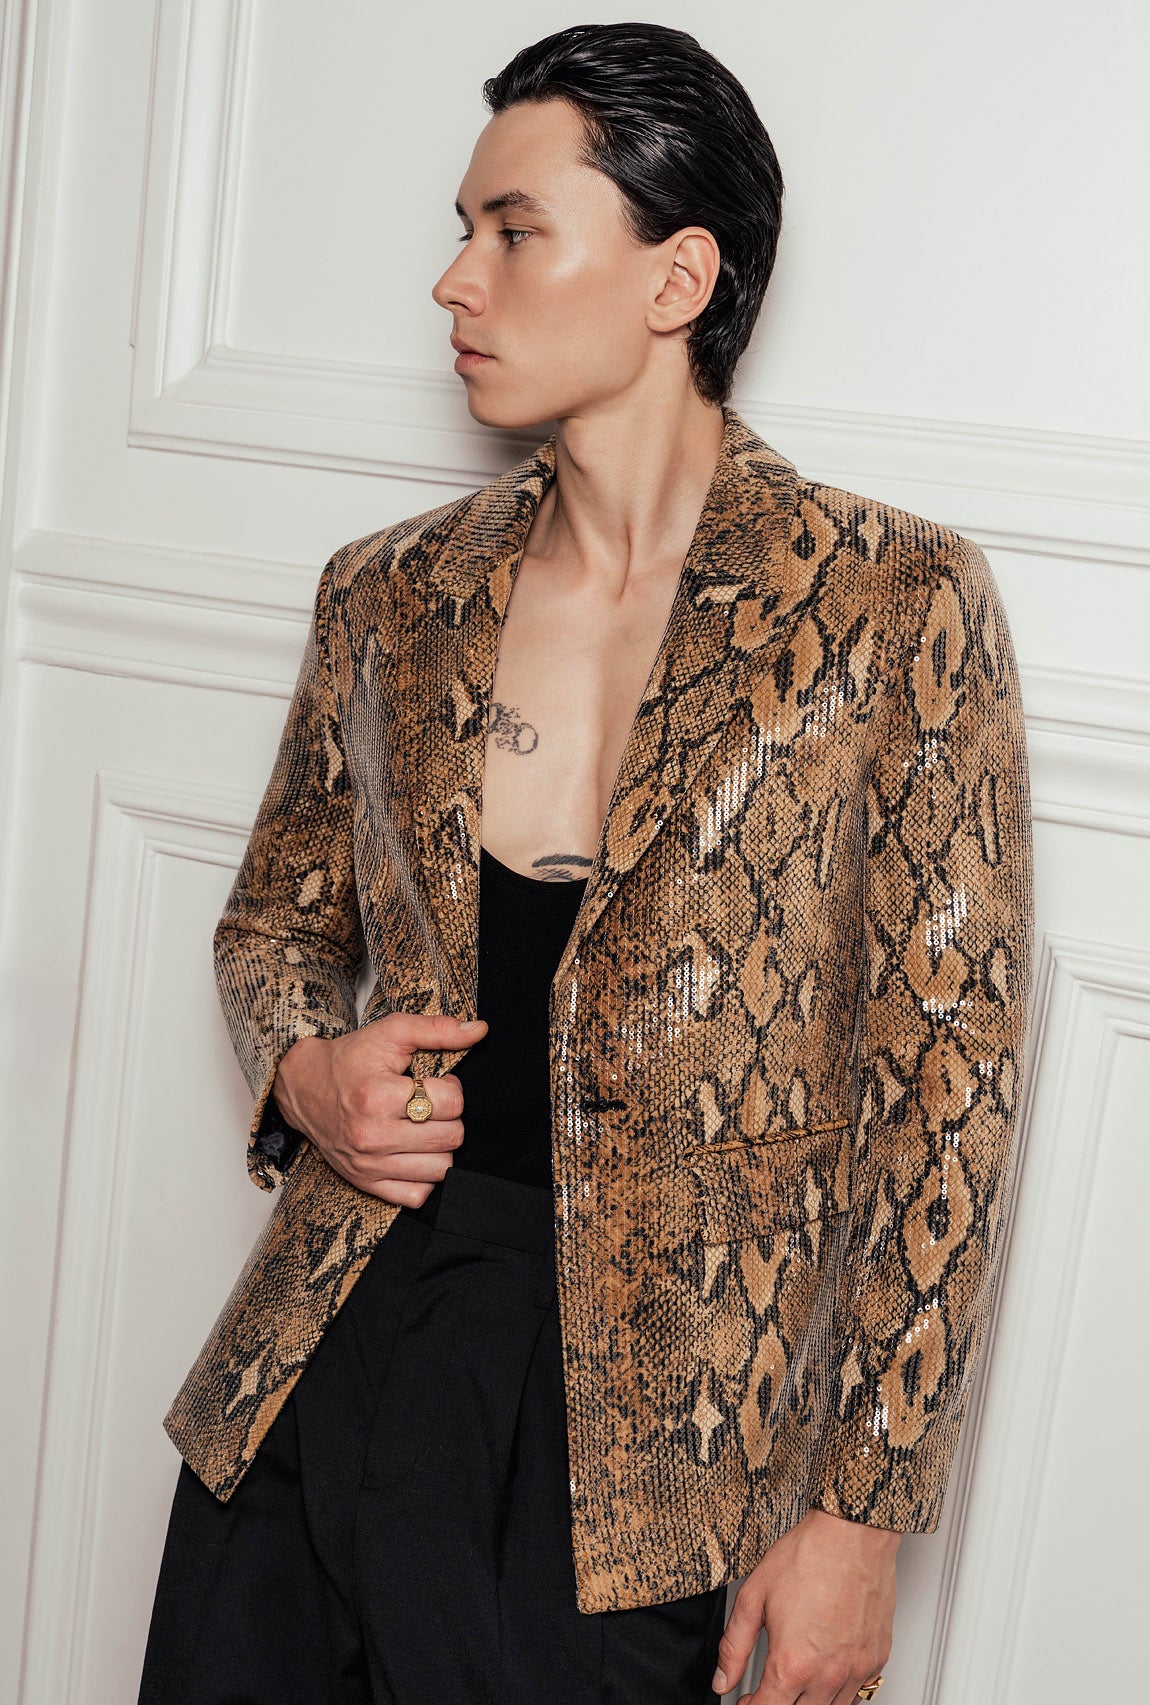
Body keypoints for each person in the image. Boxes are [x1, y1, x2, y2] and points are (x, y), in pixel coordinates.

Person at [139, 21, 1035, 1705]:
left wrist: (860, 1514)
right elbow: (269, 925)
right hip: (325, 1348)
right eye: (460, 230)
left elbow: (952, 1092)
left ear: (674, 276)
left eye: (512, 230)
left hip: (648, 1442)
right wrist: (307, 1071)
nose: (452, 282)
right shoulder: (386, 591)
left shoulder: (890, 602)